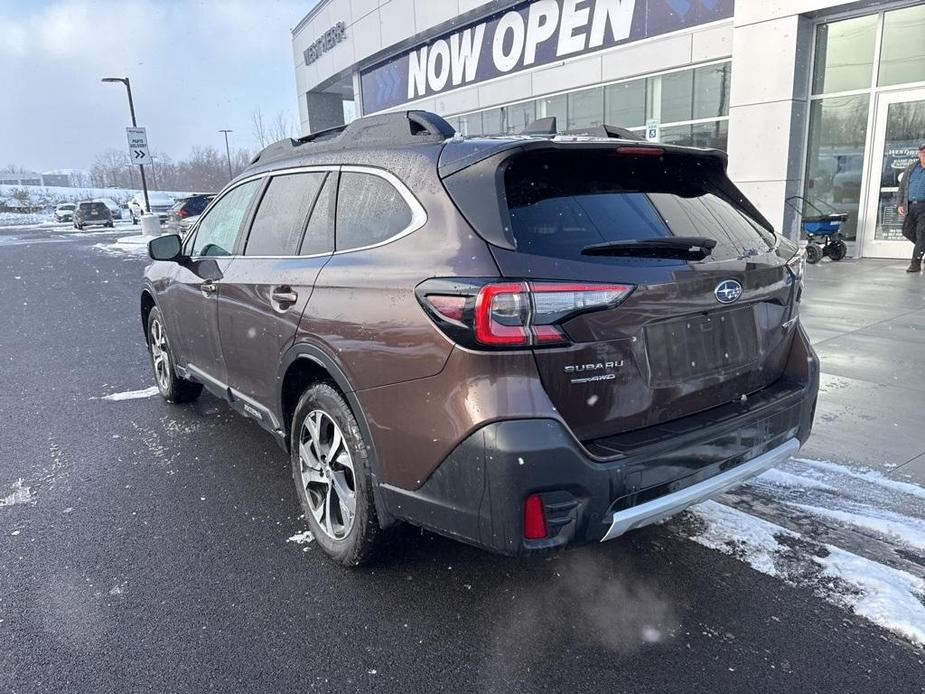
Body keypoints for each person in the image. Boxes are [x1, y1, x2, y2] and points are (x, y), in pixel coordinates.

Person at [897, 144, 925, 272]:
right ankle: (922, 247)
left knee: (921, 234)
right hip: (910, 206)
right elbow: (902, 188)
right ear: (918, 153)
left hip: (924, 206)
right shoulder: (911, 169)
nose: (924, 153)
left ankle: (915, 263)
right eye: (921, 151)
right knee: (906, 231)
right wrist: (900, 204)